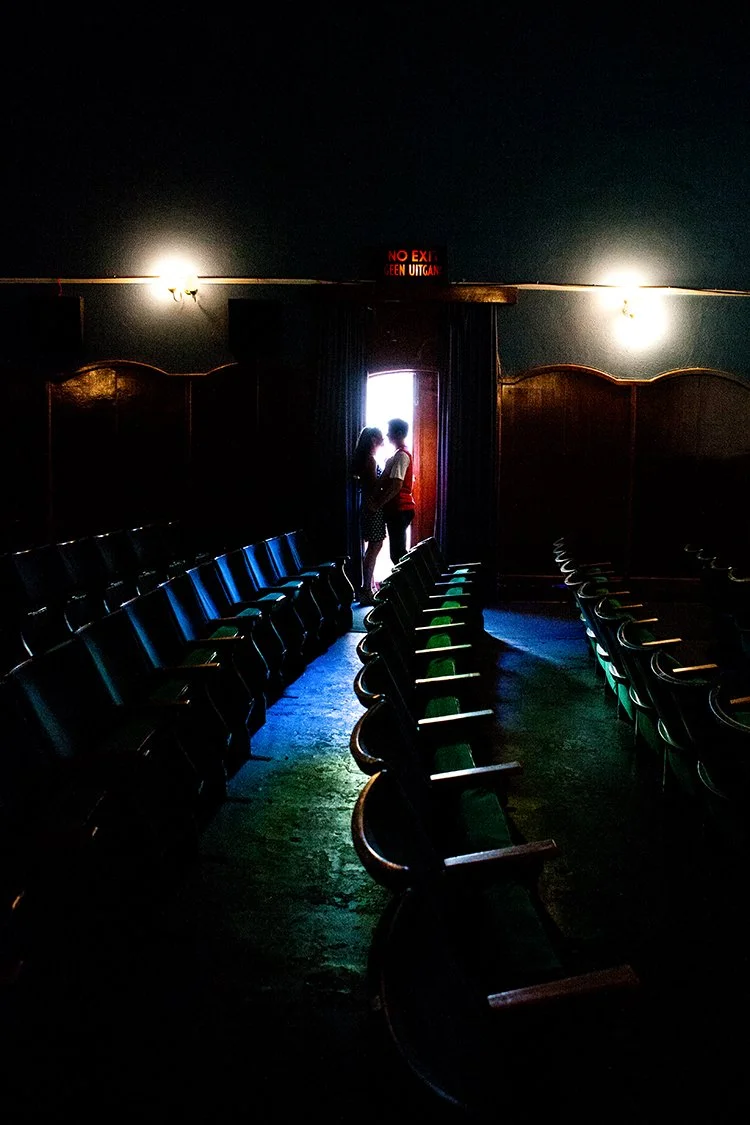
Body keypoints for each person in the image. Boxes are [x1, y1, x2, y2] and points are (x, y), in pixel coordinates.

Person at [368, 418, 416, 565]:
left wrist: (377, 504)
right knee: (398, 553)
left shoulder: (401, 455)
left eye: (390, 432)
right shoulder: (398, 455)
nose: (387, 435)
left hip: (399, 509)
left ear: (399, 433)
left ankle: (412, 586)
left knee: (398, 554)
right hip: (399, 509)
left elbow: (396, 486)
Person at [351, 426, 386, 605]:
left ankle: (367, 587)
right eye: (380, 437)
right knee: (375, 546)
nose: (383, 439)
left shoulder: (364, 458)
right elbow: (374, 486)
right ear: (373, 439)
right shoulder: (370, 460)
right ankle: (366, 590)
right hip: (372, 508)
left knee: (372, 547)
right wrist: (387, 474)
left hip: (367, 506)